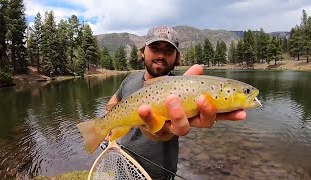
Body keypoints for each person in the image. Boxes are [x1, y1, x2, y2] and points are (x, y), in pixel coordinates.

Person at [105, 25, 246, 180]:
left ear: (176, 57)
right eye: (155, 48)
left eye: (168, 50)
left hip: (159, 175)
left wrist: (163, 133)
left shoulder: (184, 87)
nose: (160, 55)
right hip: (123, 165)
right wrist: (107, 125)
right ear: (143, 52)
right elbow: (113, 102)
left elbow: (166, 134)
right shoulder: (130, 79)